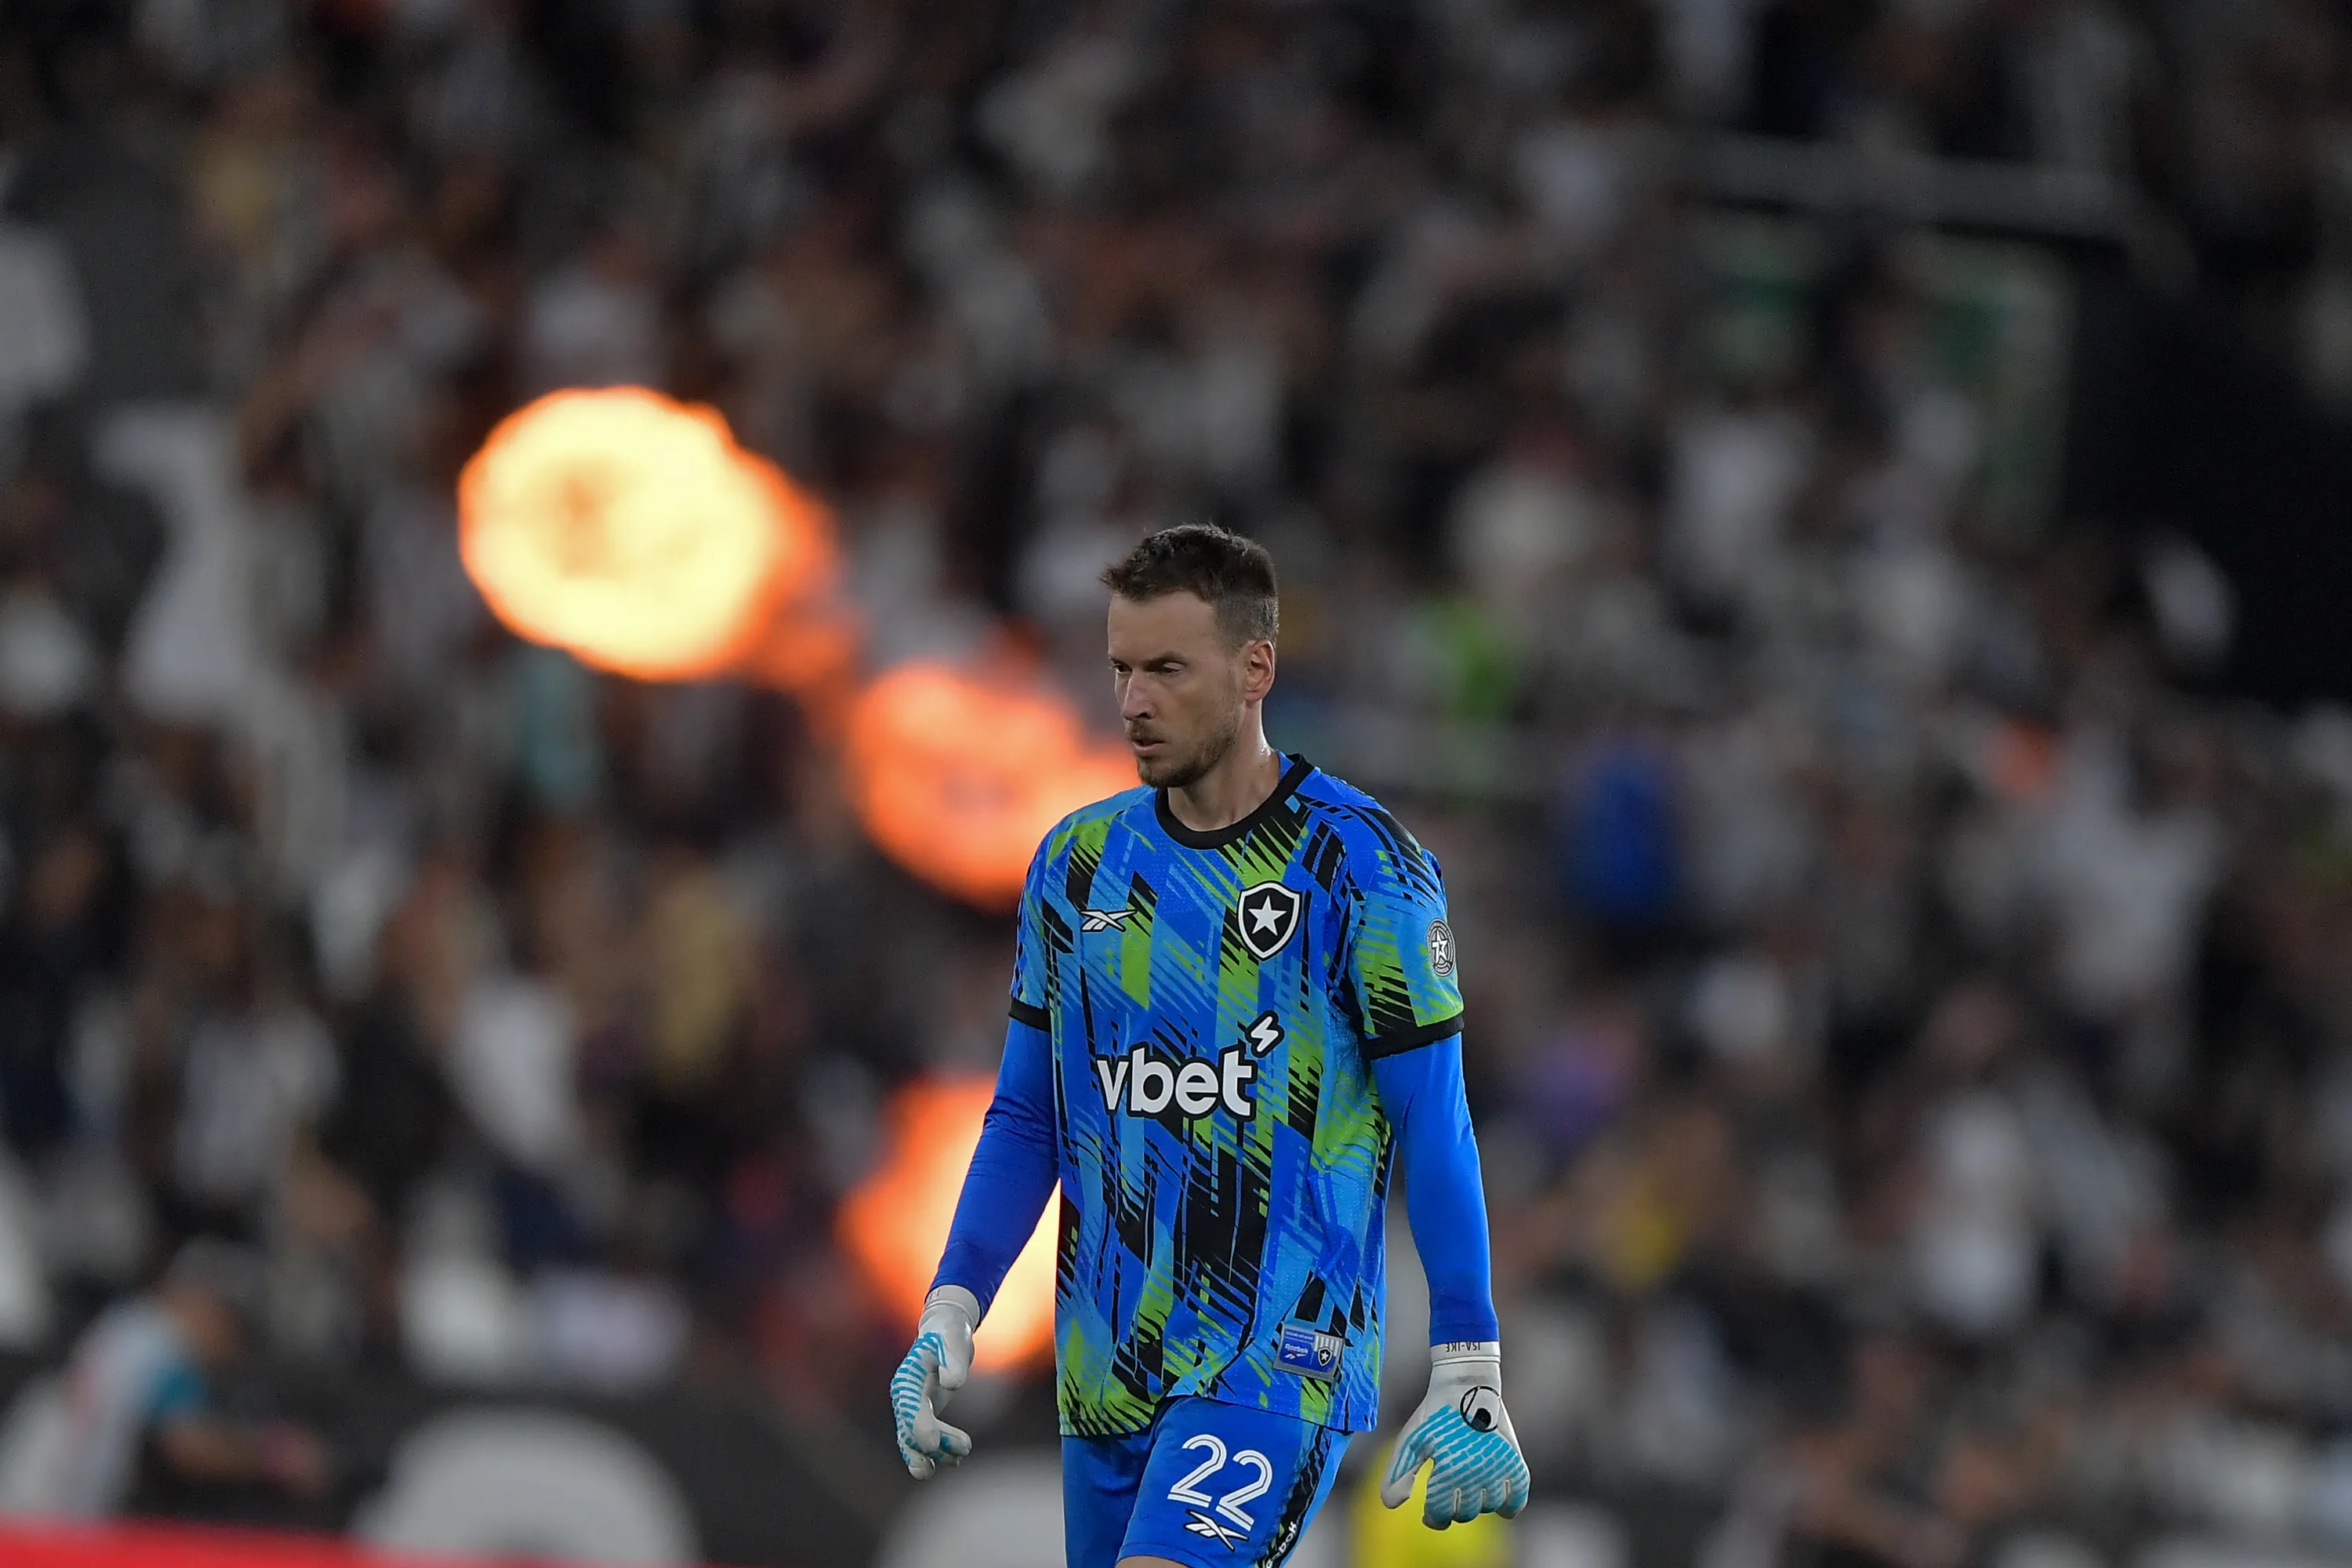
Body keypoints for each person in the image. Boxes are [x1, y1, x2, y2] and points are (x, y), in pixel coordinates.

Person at [890, 524, 1529, 1567]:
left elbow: (1435, 1117)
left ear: (1254, 670)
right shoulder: (1077, 864)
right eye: (1122, 670)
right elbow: (1028, 1115)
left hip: (1276, 1359)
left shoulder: (1359, 864)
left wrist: (1468, 1356)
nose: (1134, 701)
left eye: (1167, 670)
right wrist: (953, 1304)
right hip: (1106, 1367)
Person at [42, 1238, 328, 1519]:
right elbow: (188, 1447)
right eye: (231, 1321)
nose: (233, 1343)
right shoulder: (169, 1352)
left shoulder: (129, 1322)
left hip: (39, 1485)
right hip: (71, 1510)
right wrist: (277, 1457)